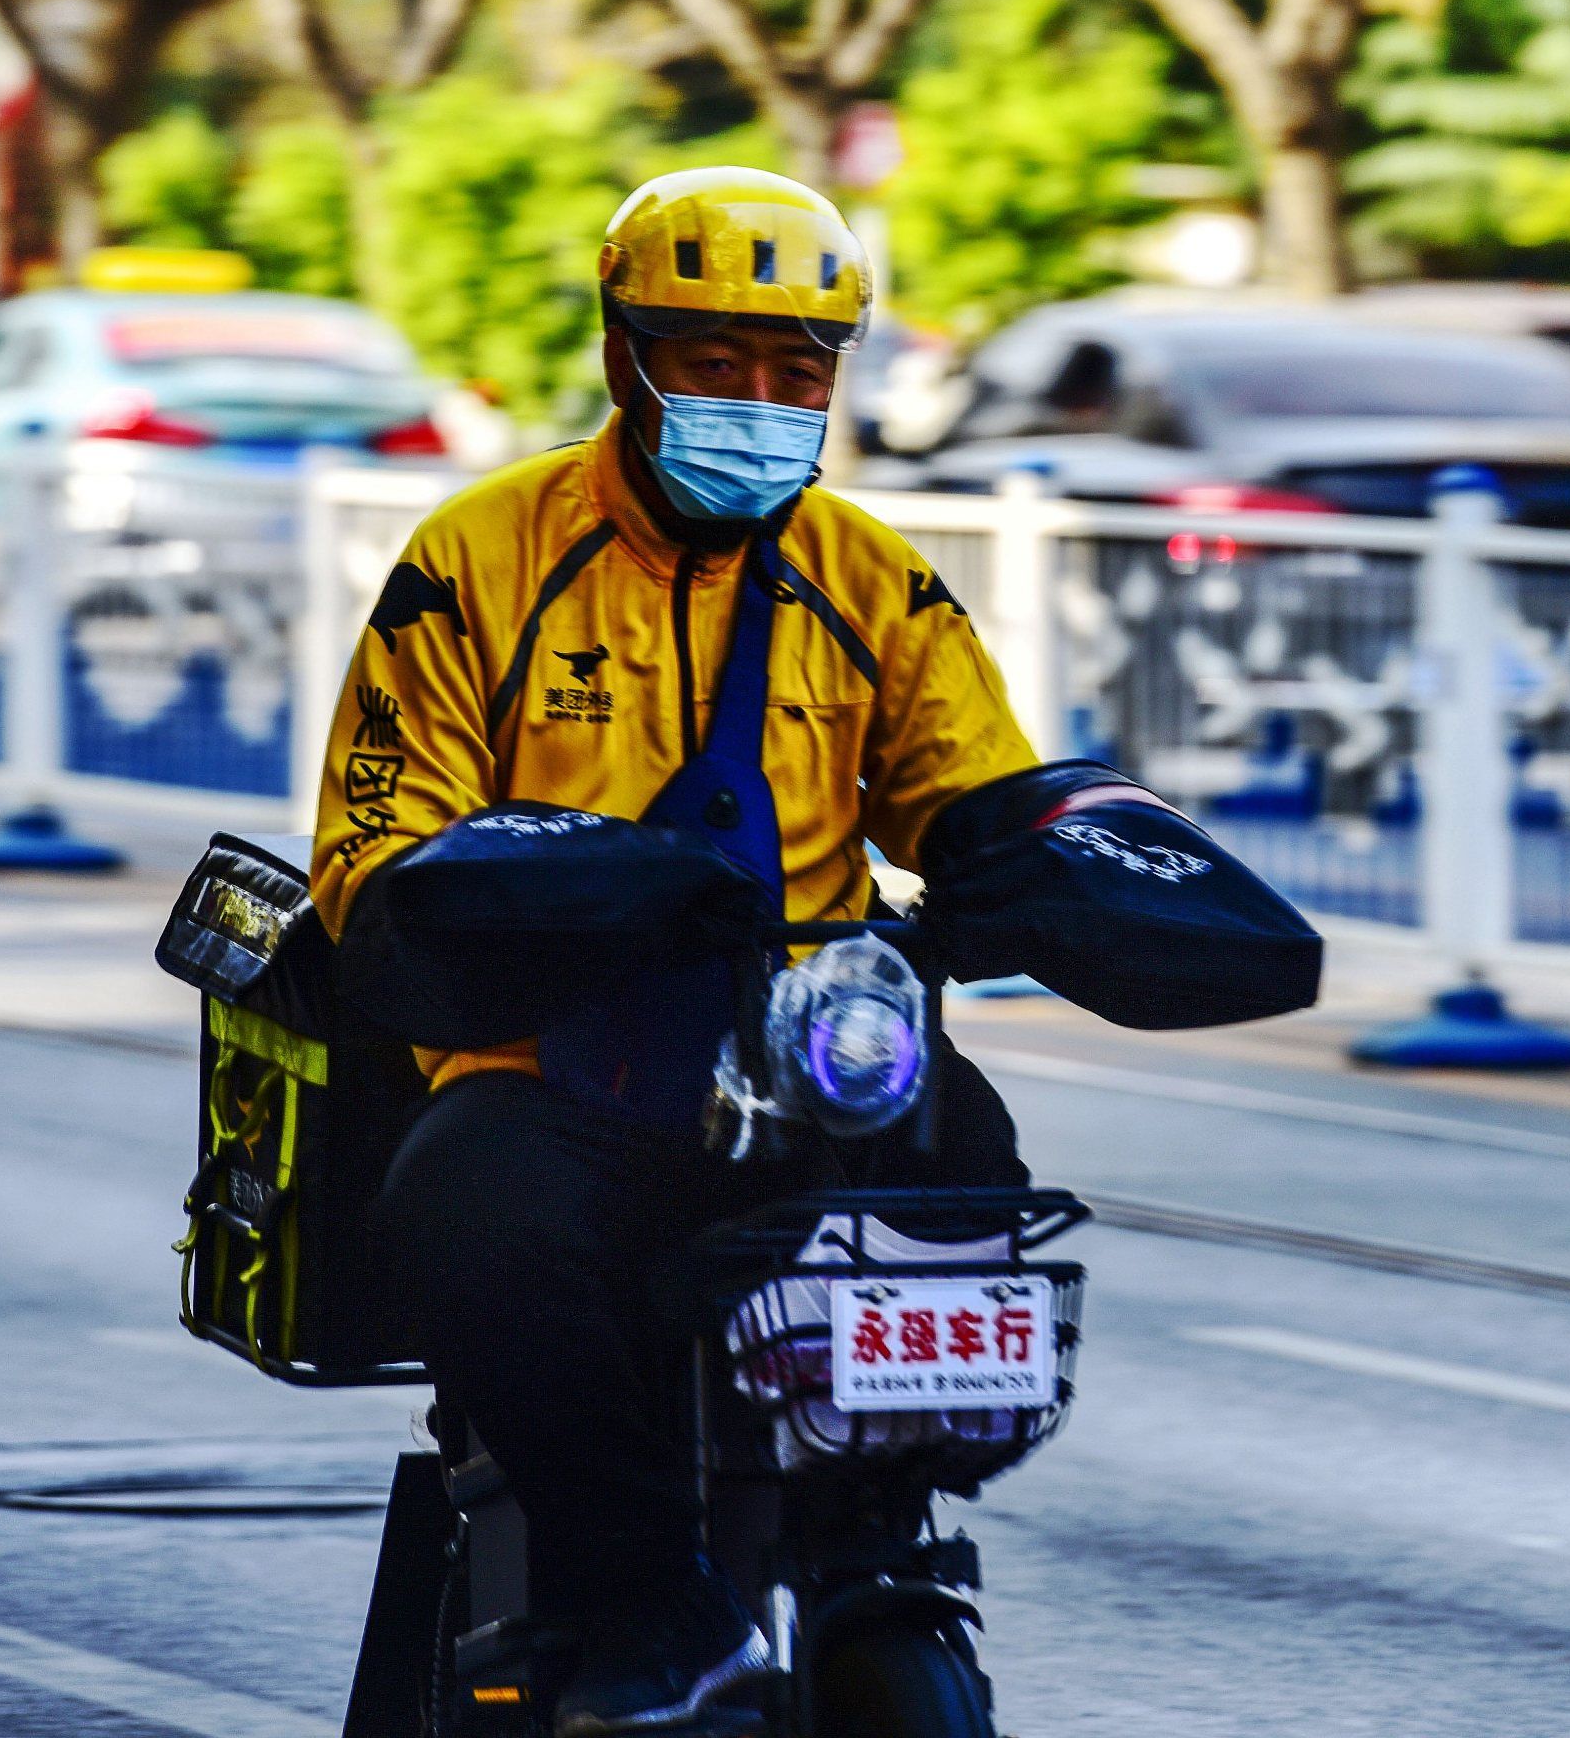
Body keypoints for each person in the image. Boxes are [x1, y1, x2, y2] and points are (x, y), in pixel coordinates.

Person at [309, 168, 1039, 1736]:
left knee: (975, 1166)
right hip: (550, 1067)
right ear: (625, 356)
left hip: (812, 1065)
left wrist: (1057, 866)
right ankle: (643, 1604)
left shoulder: (873, 578)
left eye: (798, 373)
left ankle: (875, 1538)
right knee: (468, 1201)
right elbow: (372, 850)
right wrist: (545, 902)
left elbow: (976, 790)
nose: (761, 403)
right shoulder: (479, 553)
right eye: (716, 363)